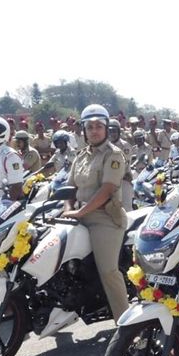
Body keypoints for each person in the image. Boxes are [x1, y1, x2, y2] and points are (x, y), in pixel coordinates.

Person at [62, 105, 129, 322]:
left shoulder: (114, 155)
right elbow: (70, 188)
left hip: (104, 219)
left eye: (98, 126)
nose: (94, 131)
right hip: (78, 216)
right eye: (89, 127)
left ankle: (126, 326)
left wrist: (80, 211)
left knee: (109, 272)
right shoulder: (81, 156)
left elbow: (107, 189)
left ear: (106, 128)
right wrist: (68, 209)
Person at [108, 119, 134, 211]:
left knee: (126, 208)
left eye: (114, 131)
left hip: (124, 179)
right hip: (108, 181)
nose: (112, 134)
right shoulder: (104, 146)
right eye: (109, 131)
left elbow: (123, 164)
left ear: (119, 132)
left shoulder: (125, 146)